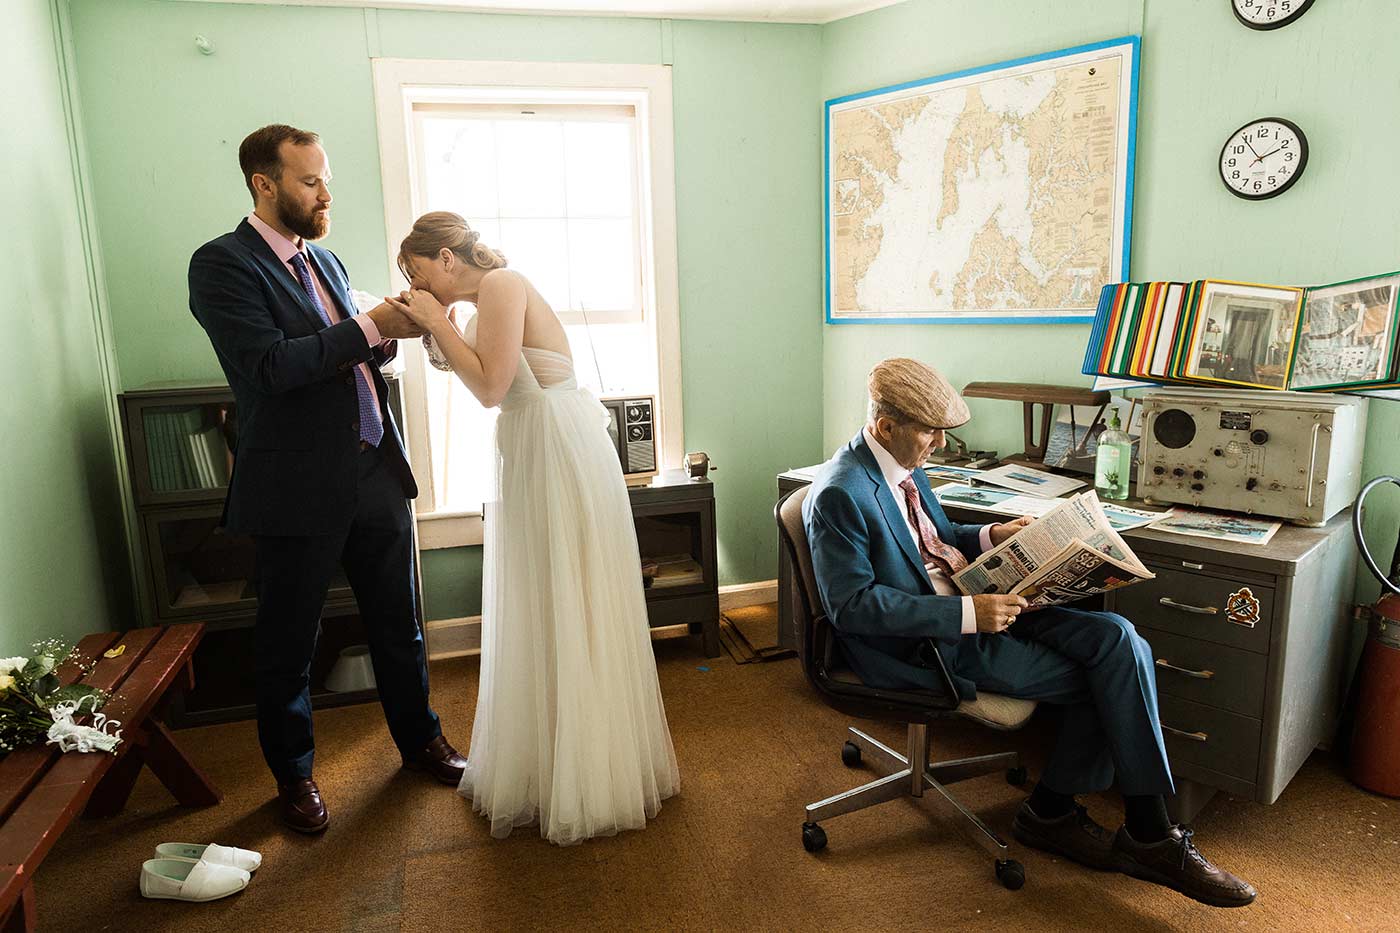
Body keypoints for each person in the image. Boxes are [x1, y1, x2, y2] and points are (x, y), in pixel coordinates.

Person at [802, 357, 1256, 908]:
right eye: (930, 433)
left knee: (1117, 636)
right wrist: (969, 615)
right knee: (1109, 676)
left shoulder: (903, 462)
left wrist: (994, 535)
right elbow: (851, 607)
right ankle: (1118, 824)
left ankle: (1094, 820)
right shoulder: (841, 492)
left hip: (976, 602)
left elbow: (933, 539)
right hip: (927, 642)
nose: (940, 445)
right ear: (886, 425)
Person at [187, 125, 467, 834]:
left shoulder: (328, 261)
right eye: (310, 182)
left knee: (400, 624)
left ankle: (422, 741)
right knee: (290, 642)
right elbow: (271, 367)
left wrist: (390, 336)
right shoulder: (221, 265)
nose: (325, 195)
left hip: (375, 468)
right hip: (296, 485)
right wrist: (370, 326)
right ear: (265, 184)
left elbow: (348, 357)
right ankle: (295, 776)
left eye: (325, 180)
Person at [388, 211, 679, 845]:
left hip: (556, 445)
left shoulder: (502, 284)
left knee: (571, 594)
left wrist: (437, 320)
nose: (417, 285)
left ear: (446, 258)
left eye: (418, 271)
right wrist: (438, 324)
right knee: (542, 598)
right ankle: (550, 758)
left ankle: (591, 768)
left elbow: (492, 387)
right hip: (530, 443)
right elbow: (480, 380)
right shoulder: (476, 306)